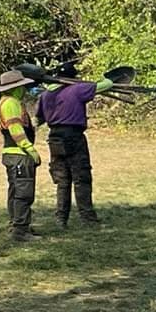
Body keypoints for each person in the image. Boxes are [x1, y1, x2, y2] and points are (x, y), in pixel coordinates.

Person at [36, 72, 116, 227]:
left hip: (54, 138)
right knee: (81, 178)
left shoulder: (45, 95)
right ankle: (88, 219)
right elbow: (105, 86)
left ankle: (61, 219)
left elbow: (39, 118)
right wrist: (108, 78)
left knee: (62, 181)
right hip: (73, 136)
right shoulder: (77, 89)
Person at [0, 70, 42, 241]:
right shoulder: (11, 103)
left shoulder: (5, 102)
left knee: (15, 192)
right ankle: (20, 230)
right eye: (22, 87)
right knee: (23, 192)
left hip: (12, 154)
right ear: (15, 88)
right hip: (19, 154)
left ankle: (17, 225)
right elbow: (15, 130)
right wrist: (30, 150)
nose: (25, 90)